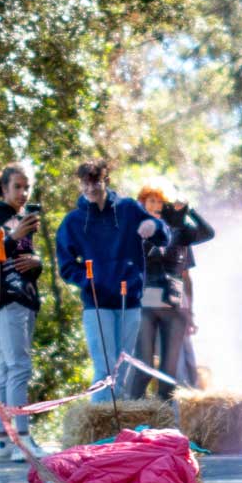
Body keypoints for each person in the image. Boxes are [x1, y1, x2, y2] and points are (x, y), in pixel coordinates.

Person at [54, 159, 165, 402]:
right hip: (97, 302)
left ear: (106, 181)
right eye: (85, 183)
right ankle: (102, 431)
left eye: (96, 183)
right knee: (105, 368)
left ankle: (120, 431)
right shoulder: (73, 221)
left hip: (130, 299)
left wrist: (152, 225)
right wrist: (90, 280)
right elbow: (66, 264)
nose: (91, 189)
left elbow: (163, 235)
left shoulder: (127, 209)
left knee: (123, 368)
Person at [0, 163, 45, 460]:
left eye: (27, 187)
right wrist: (13, 236)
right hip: (6, 300)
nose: (23, 192)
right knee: (19, 367)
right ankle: (23, 439)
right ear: (4, 188)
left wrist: (37, 262)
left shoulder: (21, 218)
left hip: (24, 298)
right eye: (17, 186)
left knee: (7, 368)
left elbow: (20, 260)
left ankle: (3, 439)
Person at [126, 187, 215, 399]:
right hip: (147, 302)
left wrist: (188, 210)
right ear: (143, 203)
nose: (156, 206)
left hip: (174, 304)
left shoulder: (179, 232)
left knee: (170, 372)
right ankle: (134, 411)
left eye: (160, 202)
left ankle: (164, 423)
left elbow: (207, 235)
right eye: (151, 201)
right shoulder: (138, 231)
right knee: (144, 366)